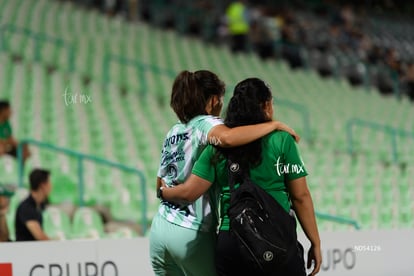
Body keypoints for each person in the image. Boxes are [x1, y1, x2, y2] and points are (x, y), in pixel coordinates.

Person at [160, 78, 322, 276]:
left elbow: (190, 192)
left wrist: (163, 191)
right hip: (276, 240)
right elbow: (300, 196)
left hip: (231, 242)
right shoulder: (282, 140)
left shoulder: (216, 147)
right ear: (267, 106)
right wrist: (315, 241)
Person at [15, 169, 51, 241]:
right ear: (43, 185)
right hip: (25, 250)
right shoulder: (26, 208)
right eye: (49, 183)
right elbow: (39, 236)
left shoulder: (40, 206)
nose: (51, 186)